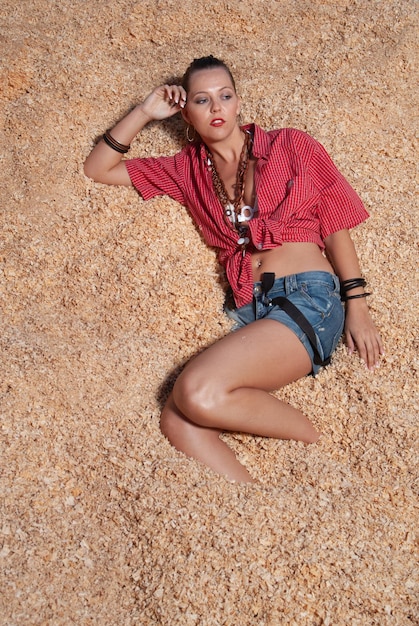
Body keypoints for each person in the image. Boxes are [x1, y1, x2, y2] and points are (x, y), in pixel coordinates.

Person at [84, 55, 383, 483]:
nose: (216, 108)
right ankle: (253, 502)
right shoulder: (186, 171)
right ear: (186, 113)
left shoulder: (292, 145)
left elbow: (335, 224)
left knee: (196, 392)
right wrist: (145, 112)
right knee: (178, 421)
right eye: (202, 100)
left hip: (309, 298)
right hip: (251, 310)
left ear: (238, 102)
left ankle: (322, 440)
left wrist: (357, 305)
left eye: (225, 96)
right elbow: (97, 169)